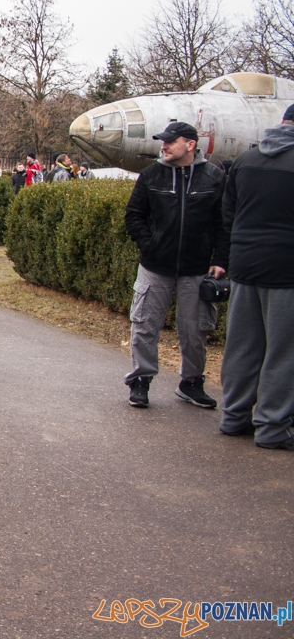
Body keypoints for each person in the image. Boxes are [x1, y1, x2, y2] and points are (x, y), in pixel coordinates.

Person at [122, 121, 227, 409]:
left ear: (190, 145)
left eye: (170, 141)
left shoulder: (215, 178)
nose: (164, 146)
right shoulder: (151, 175)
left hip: (197, 268)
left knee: (195, 330)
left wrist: (220, 260)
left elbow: (224, 224)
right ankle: (141, 380)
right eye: (163, 141)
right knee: (145, 325)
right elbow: (134, 215)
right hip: (155, 266)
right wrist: (149, 244)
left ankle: (191, 383)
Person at [218, 104, 294, 449]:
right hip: (286, 270)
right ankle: (273, 427)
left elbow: (228, 213)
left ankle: (234, 416)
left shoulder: (246, 160)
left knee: (243, 346)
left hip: (244, 264)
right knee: (284, 351)